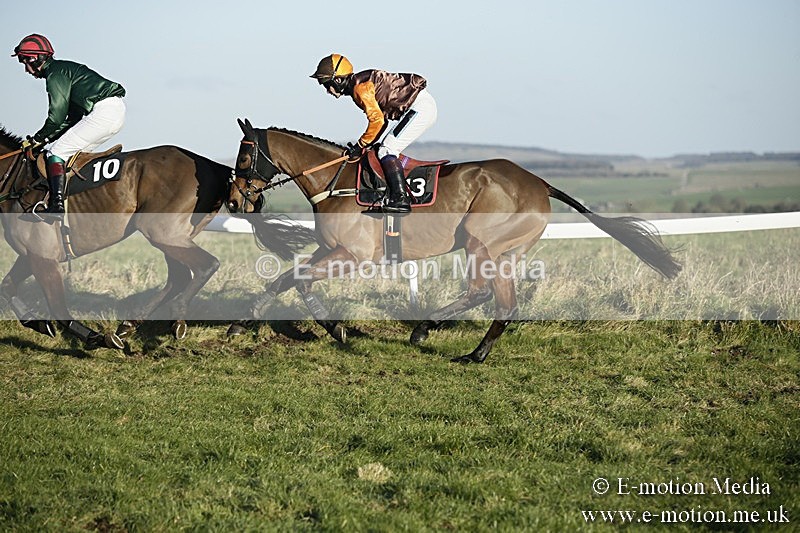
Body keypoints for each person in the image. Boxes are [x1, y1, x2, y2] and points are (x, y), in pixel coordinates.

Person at [12, 33, 126, 221]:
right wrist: (43, 140)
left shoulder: (55, 73)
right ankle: (69, 204)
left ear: (37, 59)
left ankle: (56, 207)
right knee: (69, 157)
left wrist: (37, 139)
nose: (26, 69)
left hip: (103, 112)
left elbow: (56, 116)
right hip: (111, 112)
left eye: (26, 62)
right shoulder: (63, 70)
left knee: (55, 154)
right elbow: (71, 119)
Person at [311, 53, 437, 214]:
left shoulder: (360, 89)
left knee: (387, 150)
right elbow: (382, 122)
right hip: (419, 106)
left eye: (327, 84)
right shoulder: (359, 85)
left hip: (420, 108)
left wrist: (360, 145)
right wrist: (366, 143)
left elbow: (377, 121)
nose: (328, 90)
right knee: (382, 149)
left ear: (338, 79)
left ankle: (401, 199)